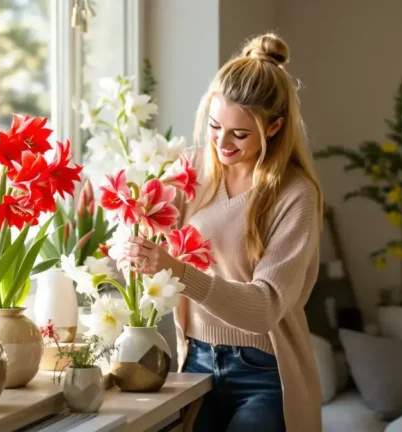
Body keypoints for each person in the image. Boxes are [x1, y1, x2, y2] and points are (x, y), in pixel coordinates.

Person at [124, 33, 323, 431]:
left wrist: (180, 272)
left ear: (275, 127)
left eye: (240, 133)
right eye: (215, 126)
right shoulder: (190, 170)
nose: (221, 142)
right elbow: (142, 224)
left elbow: (265, 306)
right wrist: (130, 240)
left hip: (266, 372)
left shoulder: (294, 195)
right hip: (195, 362)